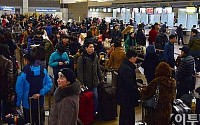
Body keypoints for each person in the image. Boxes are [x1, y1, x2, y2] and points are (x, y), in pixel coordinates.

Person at [15, 53, 53, 125]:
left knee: (28, 122)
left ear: (26, 61)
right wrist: (41, 93)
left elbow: (19, 91)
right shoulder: (43, 71)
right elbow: (49, 84)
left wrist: (17, 104)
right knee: (40, 121)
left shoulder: (23, 74)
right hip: (40, 102)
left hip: (27, 104)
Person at [77, 41, 103, 113]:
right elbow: (80, 71)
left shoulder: (95, 57)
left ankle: (94, 112)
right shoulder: (82, 58)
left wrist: (101, 78)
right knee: (87, 99)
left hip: (94, 82)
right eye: (90, 47)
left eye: (93, 47)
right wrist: (81, 82)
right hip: (86, 82)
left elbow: (98, 69)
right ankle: (88, 113)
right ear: (86, 48)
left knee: (95, 97)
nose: (92, 49)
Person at [116, 49, 140, 125]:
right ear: (132, 58)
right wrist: (137, 90)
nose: (136, 59)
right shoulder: (128, 69)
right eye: (136, 58)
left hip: (123, 96)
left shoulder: (124, 65)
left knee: (123, 115)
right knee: (128, 116)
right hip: (127, 97)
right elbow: (129, 85)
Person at [0, 44, 14, 122]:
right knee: (5, 106)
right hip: (4, 88)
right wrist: (11, 91)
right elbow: (10, 78)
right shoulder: (8, 62)